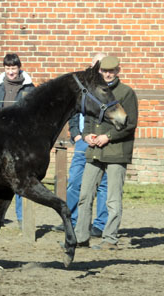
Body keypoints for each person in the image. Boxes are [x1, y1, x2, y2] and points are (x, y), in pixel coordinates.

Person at [74, 56, 138, 250]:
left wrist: (107, 137)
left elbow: (130, 124)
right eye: (104, 71)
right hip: (94, 151)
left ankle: (110, 238)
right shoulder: (95, 90)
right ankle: (80, 237)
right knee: (85, 194)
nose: (108, 74)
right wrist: (86, 135)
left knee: (112, 198)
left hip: (116, 152)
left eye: (111, 71)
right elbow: (90, 117)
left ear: (118, 70)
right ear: (100, 71)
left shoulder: (126, 93)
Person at [53, 53, 109, 237]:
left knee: (102, 185)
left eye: (102, 67)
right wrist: (76, 134)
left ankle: (100, 225)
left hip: (102, 142)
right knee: (75, 182)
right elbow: (74, 111)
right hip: (83, 142)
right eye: (96, 66)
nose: (99, 70)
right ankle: (72, 220)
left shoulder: (108, 90)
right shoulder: (83, 87)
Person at [0, 53, 35, 227]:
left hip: (19, 140)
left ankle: (21, 218)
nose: (11, 72)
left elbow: (33, 115)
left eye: (13, 68)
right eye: (8, 68)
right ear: (4, 68)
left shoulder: (30, 88)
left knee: (21, 177)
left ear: (19, 67)